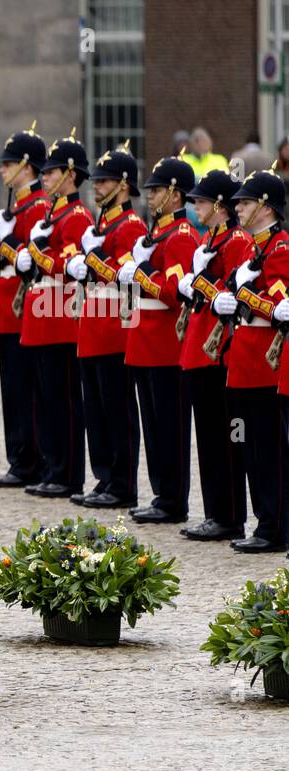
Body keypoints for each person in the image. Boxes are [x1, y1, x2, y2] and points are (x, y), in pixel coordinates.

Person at [115, 155, 199, 523]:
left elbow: (171, 293)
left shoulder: (180, 237)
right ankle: (161, 493)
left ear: (176, 195)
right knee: (152, 425)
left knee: (169, 426)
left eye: (157, 190)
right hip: (144, 339)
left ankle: (173, 500)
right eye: (149, 190)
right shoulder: (157, 233)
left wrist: (143, 269)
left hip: (164, 343)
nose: (149, 196)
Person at [211, 170, 289, 553]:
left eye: (243, 202)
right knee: (245, 445)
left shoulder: (280, 249)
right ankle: (263, 521)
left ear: (264, 205)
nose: (236, 207)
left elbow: (278, 308)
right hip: (242, 358)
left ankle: (274, 526)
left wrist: (244, 294)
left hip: (263, 362)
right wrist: (224, 298)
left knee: (267, 449)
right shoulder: (257, 248)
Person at [65, 142, 145, 511]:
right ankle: (104, 477)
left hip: (114, 326)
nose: (96, 187)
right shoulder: (102, 222)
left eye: (104, 181)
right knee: (95, 410)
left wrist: (94, 260)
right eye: (95, 181)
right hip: (91, 325)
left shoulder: (130, 226)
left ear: (124, 185)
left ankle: (123, 483)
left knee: (117, 410)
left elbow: (128, 279)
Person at [174, 170, 250, 541]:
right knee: (207, 438)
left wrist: (199, 280)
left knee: (226, 437)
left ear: (220, 204)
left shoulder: (235, 240)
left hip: (218, 351)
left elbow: (230, 295)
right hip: (199, 349)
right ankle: (215, 511)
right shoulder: (210, 237)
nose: (196, 207)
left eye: (201, 201)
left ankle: (230, 515)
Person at [20, 132, 92, 499]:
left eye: (51, 173)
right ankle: (52, 467)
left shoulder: (77, 215)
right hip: (42, 314)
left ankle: (67, 474)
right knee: (47, 399)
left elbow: (70, 265)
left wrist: (37, 254)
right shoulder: (53, 211)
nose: (44, 178)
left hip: (60, 314)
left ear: (70, 175)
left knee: (63, 401)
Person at [0, 124, 47, 488]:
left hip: (25, 304)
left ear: (27, 167)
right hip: (8, 301)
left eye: (9, 164)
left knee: (26, 388)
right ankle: (19, 457)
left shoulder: (38, 205)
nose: (2, 169)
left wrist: (5, 244)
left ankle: (30, 458)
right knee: (11, 387)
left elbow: (32, 259)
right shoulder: (20, 203)